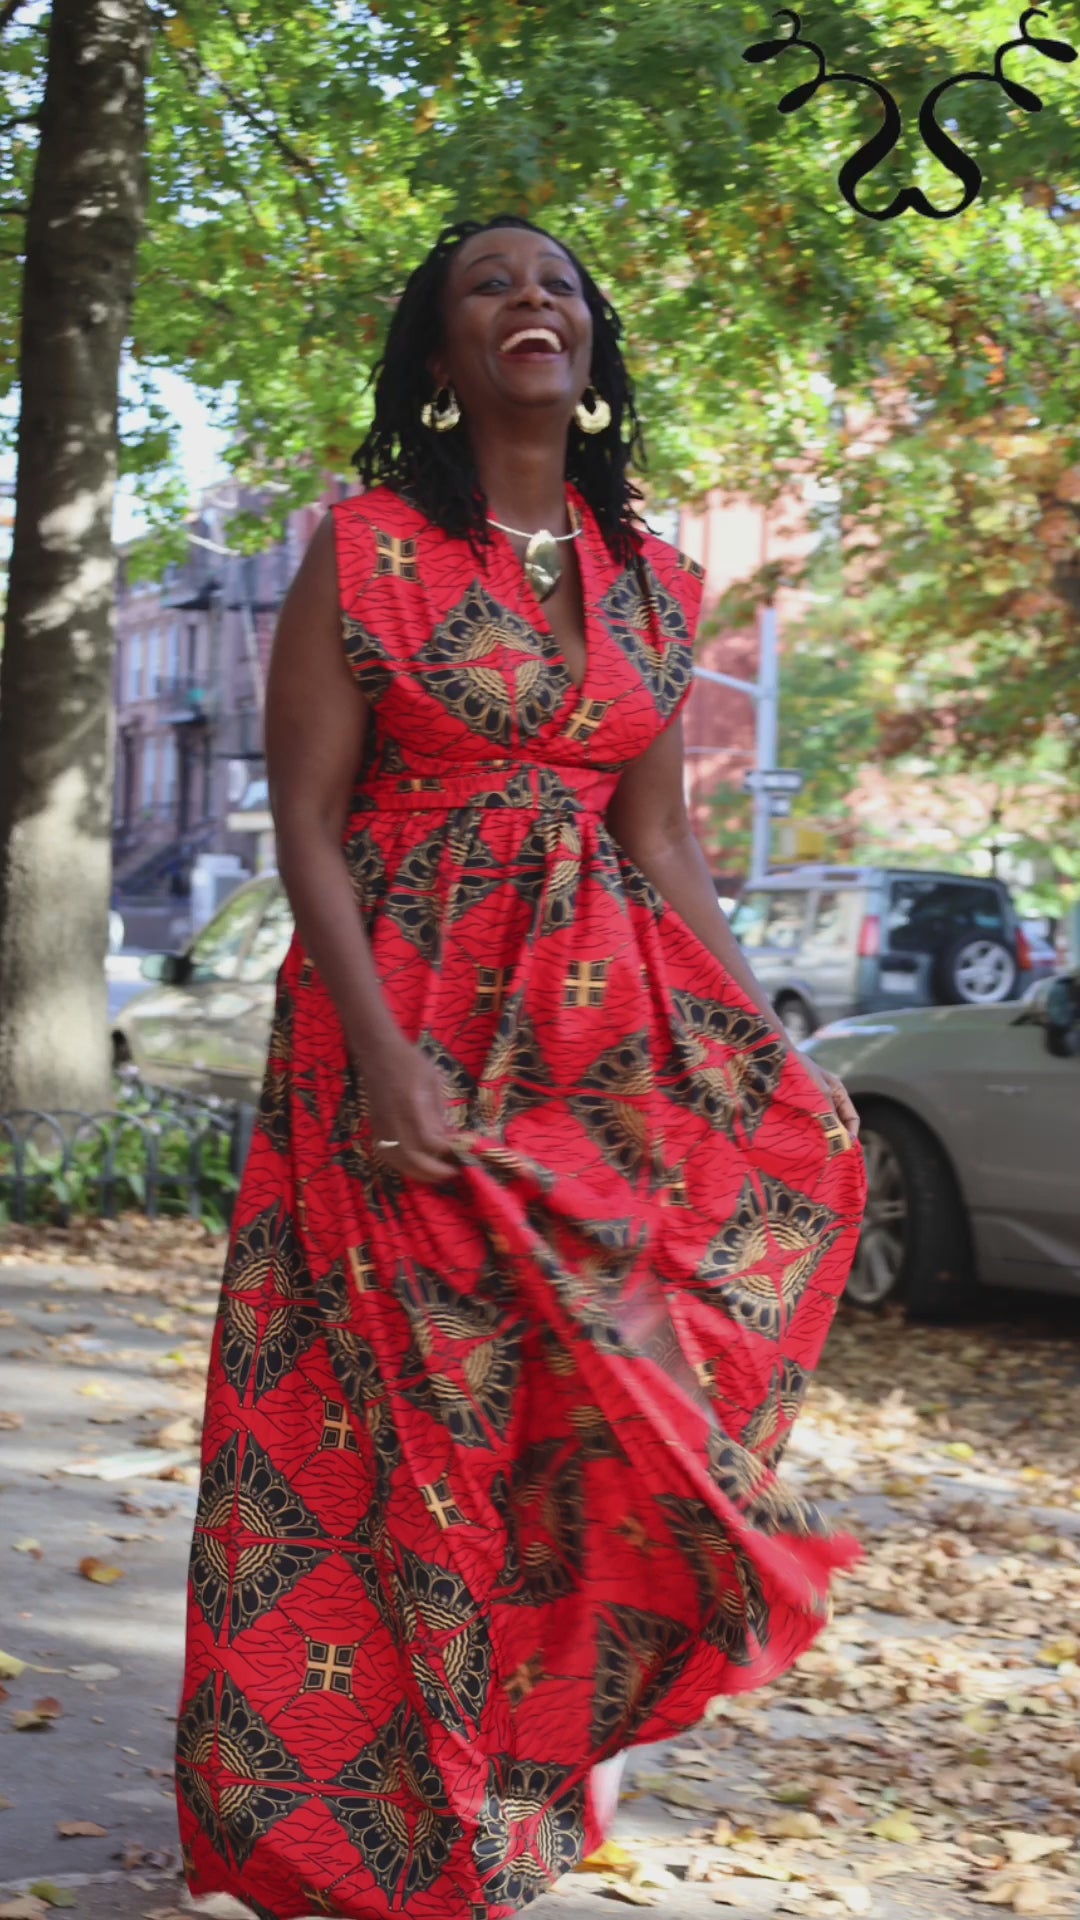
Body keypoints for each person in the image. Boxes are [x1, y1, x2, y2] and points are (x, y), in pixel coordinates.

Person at [175, 215, 867, 1920]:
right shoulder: (368, 545)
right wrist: (385, 1057)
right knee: (403, 1413)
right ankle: (346, 1840)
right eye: (491, 286)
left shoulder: (655, 579)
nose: (530, 302)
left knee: (586, 1397)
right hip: (399, 1025)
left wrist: (768, 1039)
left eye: (556, 285)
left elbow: (662, 841)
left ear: (593, 349)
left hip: (598, 1052)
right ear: (441, 354)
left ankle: (520, 1797)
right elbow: (312, 830)